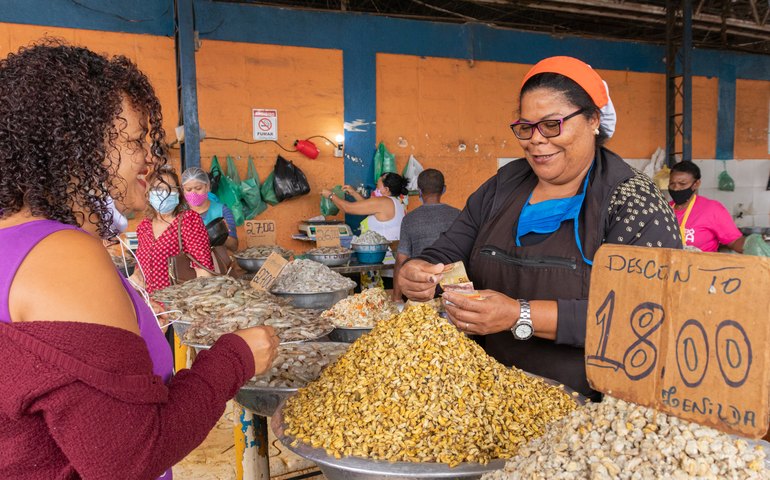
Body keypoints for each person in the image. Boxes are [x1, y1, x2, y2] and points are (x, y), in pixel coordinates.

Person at [0, 41, 278, 479]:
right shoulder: (62, 253)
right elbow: (131, 460)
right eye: (133, 142)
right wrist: (235, 356)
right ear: (74, 148)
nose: (151, 158)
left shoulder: (14, 242)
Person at [398, 56, 681, 400]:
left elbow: (643, 316)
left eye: (551, 125)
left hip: (589, 407)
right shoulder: (503, 186)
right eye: (525, 128)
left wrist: (518, 314)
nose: (535, 140)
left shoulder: (633, 201)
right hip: (490, 395)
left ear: (593, 119)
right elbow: (446, 251)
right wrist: (417, 270)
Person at [132, 167, 215, 294]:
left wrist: (194, 304)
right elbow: (140, 266)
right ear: (148, 194)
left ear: (178, 194)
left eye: (171, 188)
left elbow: (203, 270)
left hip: (178, 304)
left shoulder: (188, 220)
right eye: (159, 188)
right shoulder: (144, 227)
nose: (165, 193)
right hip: (150, 304)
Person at [393, 169, 460, 300]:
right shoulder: (458, 215)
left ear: (419, 191)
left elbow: (401, 259)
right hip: (453, 288)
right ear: (444, 189)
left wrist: (396, 297)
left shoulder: (410, 219)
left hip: (421, 287)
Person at [668, 161, 745, 253]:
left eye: (682, 184)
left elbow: (734, 241)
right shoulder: (664, 209)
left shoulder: (712, 209)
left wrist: (750, 246)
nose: (676, 188)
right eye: (672, 184)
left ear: (696, 184)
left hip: (701, 266)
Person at [321, 172, 409, 241]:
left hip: (384, 254)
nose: (376, 188)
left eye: (378, 186)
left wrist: (331, 196)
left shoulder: (383, 201)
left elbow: (347, 208)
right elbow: (367, 206)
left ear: (386, 189)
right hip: (391, 252)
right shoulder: (397, 202)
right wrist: (354, 193)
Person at [181, 167, 239, 252]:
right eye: (189, 190)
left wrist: (222, 236)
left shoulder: (222, 211)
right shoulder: (180, 213)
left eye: (198, 188)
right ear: (183, 190)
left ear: (207, 186)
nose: (193, 193)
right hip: (189, 264)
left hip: (217, 263)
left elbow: (234, 246)